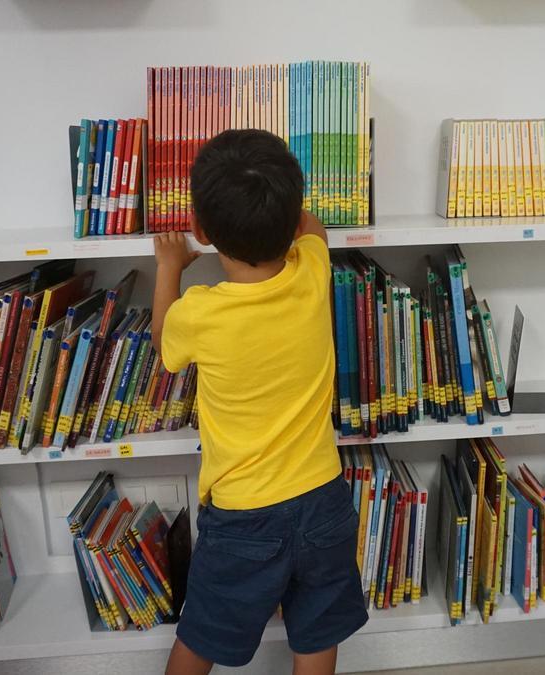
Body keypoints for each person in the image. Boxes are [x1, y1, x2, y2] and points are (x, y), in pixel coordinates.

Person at [153, 129, 367, 675]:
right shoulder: (314, 272)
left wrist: (169, 267)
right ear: (293, 223)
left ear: (200, 230)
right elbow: (314, 228)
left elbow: (163, 348)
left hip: (244, 514)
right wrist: (294, 218)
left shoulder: (198, 314)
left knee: (201, 635)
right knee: (316, 634)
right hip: (322, 499)